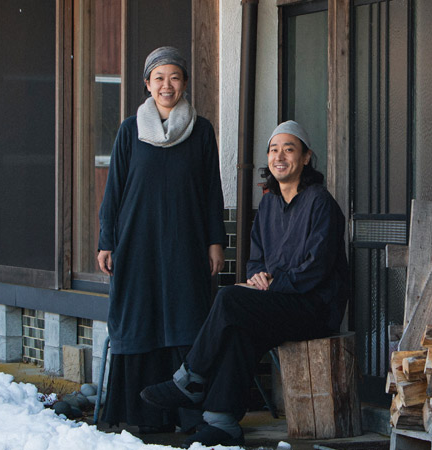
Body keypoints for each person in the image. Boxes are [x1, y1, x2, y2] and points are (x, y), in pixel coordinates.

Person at [140, 120, 350, 447]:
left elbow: (317, 269)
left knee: (229, 300)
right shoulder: (267, 204)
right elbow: (255, 259)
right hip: (278, 302)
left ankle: (191, 378)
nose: (279, 156)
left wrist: (270, 284)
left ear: (307, 157)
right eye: (273, 149)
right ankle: (221, 421)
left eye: (289, 149)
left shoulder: (320, 202)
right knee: (237, 324)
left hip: (314, 307)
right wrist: (256, 277)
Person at [97, 46, 226, 434]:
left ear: (184, 83)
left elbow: (211, 192)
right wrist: (108, 240)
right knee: (140, 318)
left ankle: (186, 414)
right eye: (159, 78)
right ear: (147, 85)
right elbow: (114, 191)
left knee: (187, 317)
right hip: (136, 244)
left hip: (186, 241)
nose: (166, 85)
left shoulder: (201, 131)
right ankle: (140, 413)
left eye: (174, 77)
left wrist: (215, 241)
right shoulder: (129, 130)